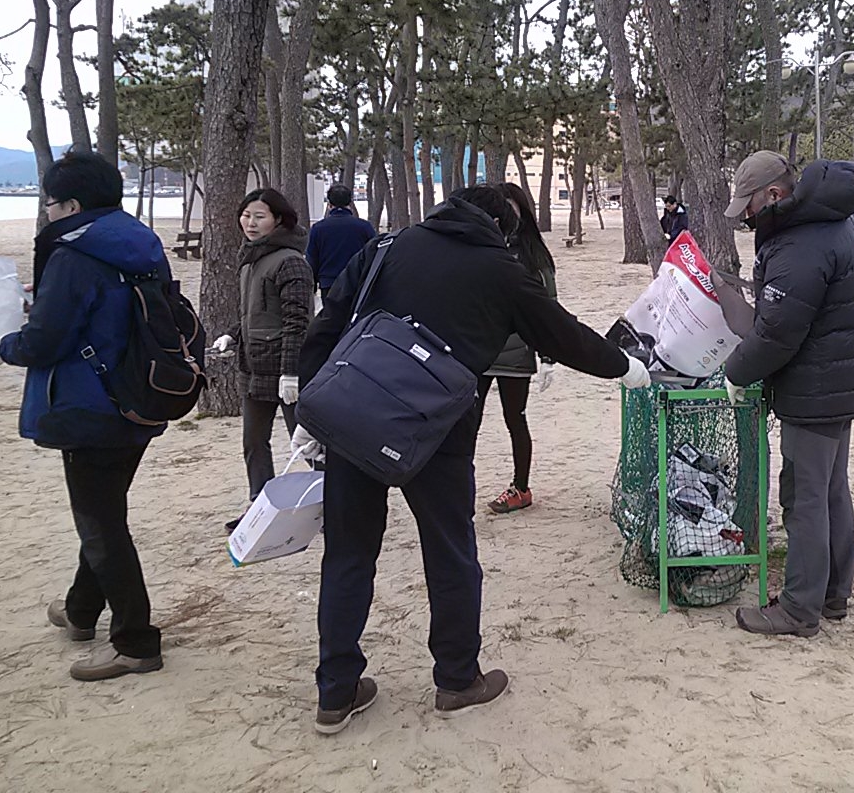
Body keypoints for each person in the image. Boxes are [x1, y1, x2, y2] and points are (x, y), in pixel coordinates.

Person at [293, 184, 651, 735]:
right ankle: (457, 680)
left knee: (347, 555)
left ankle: (335, 692)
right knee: (450, 552)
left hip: (354, 421)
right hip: (439, 433)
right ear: (503, 224)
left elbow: (329, 323)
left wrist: (308, 415)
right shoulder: (501, 271)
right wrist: (624, 367)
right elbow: (565, 337)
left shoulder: (389, 247)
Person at [0, 153, 170, 681]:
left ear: (70, 205)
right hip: (141, 395)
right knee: (104, 511)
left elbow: (45, 341)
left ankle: (136, 641)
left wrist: (2, 342)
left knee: (100, 524)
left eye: (48, 202)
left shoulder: (73, 255)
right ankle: (79, 610)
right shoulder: (141, 242)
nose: (46, 213)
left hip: (87, 405)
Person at [719, 150, 854, 638]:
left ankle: (799, 609)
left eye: (748, 205)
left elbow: (777, 334)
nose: (745, 217)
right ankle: (833, 594)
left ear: (774, 194)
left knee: (804, 497)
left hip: (815, 389)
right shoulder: (834, 221)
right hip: (842, 382)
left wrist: (736, 372)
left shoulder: (801, 243)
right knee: (831, 490)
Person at [211, 189, 313, 533]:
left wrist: (292, 372)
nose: (250, 223)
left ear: (278, 220)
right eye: (246, 215)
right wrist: (232, 334)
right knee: (254, 442)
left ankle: (333, 503)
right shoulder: (251, 260)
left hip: (284, 371)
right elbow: (254, 314)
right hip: (252, 369)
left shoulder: (291, 261)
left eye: (259, 216)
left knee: (307, 442)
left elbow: (297, 321)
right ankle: (261, 506)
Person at [480, 182, 557, 515]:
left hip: (514, 354)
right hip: (477, 351)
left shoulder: (533, 254)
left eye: (509, 208)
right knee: (465, 422)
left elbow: (548, 306)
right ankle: (457, 485)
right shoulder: (480, 245)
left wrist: (549, 355)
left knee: (516, 419)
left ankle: (521, 488)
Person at [305, 184, 376, 300]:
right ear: (350, 203)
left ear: (329, 204)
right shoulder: (364, 227)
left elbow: (312, 258)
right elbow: (374, 254)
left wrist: (312, 284)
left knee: (331, 316)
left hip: (329, 283)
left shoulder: (318, 228)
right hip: (357, 282)